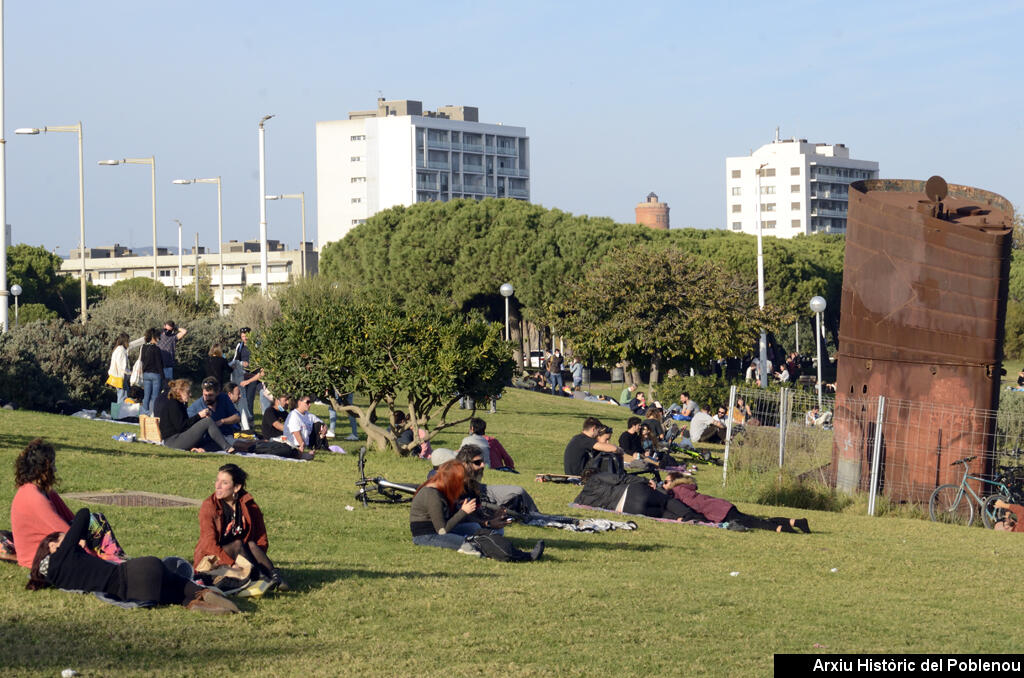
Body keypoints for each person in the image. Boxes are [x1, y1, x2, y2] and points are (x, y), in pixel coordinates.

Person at [28, 508, 237, 614]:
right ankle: (205, 594)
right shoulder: (63, 552)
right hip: (137, 570)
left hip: (133, 593)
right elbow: (85, 514)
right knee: (181, 584)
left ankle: (193, 605)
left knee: (174, 596)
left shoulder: (57, 579)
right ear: (53, 546)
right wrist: (74, 536)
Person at [10, 439, 126, 568]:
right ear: (43, 469)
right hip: (38, 557)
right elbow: (64, 531)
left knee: (94, 520)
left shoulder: (44, 491)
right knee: (95, 521)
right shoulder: (34, 497)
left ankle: (115, 560)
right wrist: (91, 557)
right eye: (53, 465)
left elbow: (73, 520)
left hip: (52, 547)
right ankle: (114, 564)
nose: (55, 469)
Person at [194, 463, 287, 594]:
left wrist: (259, 556)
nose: (217, 486)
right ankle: (261, 576)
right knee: (238, 544)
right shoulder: (209, 506)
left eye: (224, 483)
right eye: (217, 480)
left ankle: (272, 575)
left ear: (236, 487)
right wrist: (231, 563)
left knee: (251, 544)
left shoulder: (248, 504)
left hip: (242, 555)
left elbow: (261, 537)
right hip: (214, 557)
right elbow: (209, 544)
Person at [663, 472, 810, 533]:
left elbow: (686, 504)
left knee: (754, 523)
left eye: (666, 482)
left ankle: (783, 528)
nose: (663, 484)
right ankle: (795, 522)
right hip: (721, 506)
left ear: (674, 482)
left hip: (718, 512)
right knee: (754, 519)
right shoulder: (685, 488)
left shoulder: (678, 491)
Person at [573, 468, 700, 520]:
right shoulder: (598, 477)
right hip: (634, 492)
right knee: (666, 501)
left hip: (627, 508)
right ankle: (691, 515)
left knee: (661, 513)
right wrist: (645, 480)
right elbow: (621, 479)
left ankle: (680, 519)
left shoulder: (581, 498)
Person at [154, 379, 235, 452]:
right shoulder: (173, 404)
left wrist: (200, 419)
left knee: (212, 438)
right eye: (188, 392)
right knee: (208, 421)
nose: (190, 395)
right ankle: (227, 447)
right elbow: (181, 426)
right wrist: (199, 416)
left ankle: (202, 449)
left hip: (177, 438)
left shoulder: (179, 404)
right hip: (172, 441)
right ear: (179, 391)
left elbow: (185, 424)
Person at [230, 327, 256, 430]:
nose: (245, 338)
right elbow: (236, 359)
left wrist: (251, 364)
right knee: (242, 398)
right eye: (243, 336)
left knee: (250, 398)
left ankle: (250, 420)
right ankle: (242, 420)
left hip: (252, 375)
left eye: (246, 336)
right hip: (242, 375)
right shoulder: (239, 346)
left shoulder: (256, 345)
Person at [140, 328, 164, 416]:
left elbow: (142, 360)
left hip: (146, 373)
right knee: (155, 397)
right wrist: (163, 377)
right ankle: (153, 413)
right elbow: (159, 364)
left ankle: (144, 413)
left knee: (146, 396)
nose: (159, 339)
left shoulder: (143, 347)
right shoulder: (156, 349)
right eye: (158, 337)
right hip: (155, 374)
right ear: (154, 337)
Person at [106, 333, 131, 406]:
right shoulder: (121, 351)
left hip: (116, 375)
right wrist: (130, 372)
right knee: (122, 397)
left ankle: (120, 413)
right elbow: (122, 367)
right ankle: (120, 414)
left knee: (122, 395)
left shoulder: (117, 349)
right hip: (120, 377)